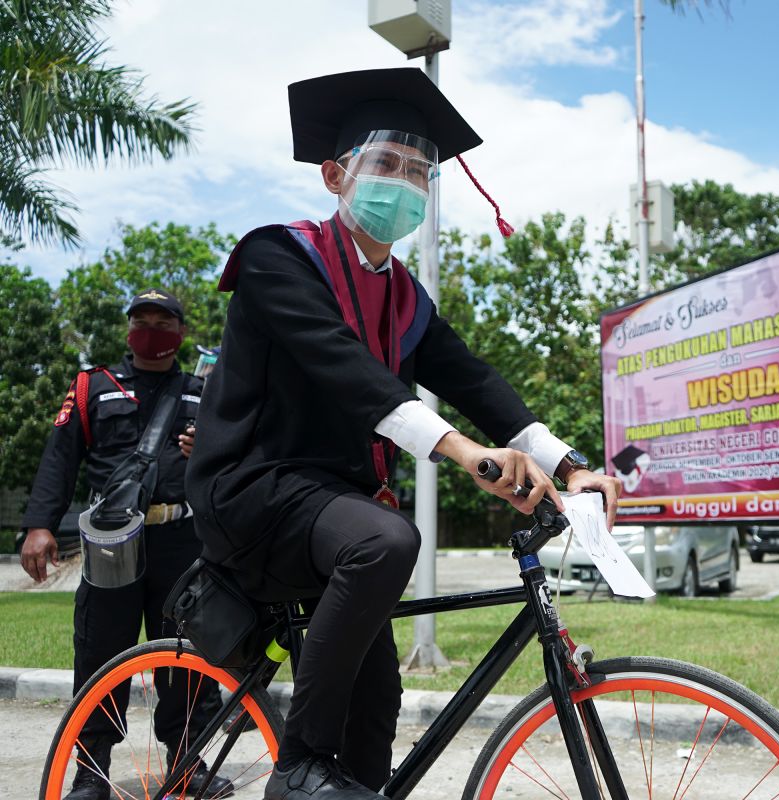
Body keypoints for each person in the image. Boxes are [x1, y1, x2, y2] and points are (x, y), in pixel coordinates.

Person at [185, 68, 621, 799]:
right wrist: (462, 452)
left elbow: (474, 380)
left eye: (420, 172)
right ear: (335, 175)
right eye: (386, 164)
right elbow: (346, 369)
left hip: (331, 507)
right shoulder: (277, 258)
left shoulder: (405, 298)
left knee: (375, 700)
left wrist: (570, 466)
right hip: (252, 489)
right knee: (387, 540)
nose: (406, 184)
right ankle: (296, 769)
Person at [20, 289, 233, 799]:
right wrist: (39, 525)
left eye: (164, 321)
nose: (152, 329)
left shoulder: (207, 390)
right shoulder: (95, 385)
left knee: (187, 656)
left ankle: (187, 763)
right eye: (142, 320)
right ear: (128, 329)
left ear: (181, 333)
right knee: (100, 652)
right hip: (111, 539)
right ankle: (90, 772)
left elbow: (239, 459)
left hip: (183, 538)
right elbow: (60, 457)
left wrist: (211, 447)